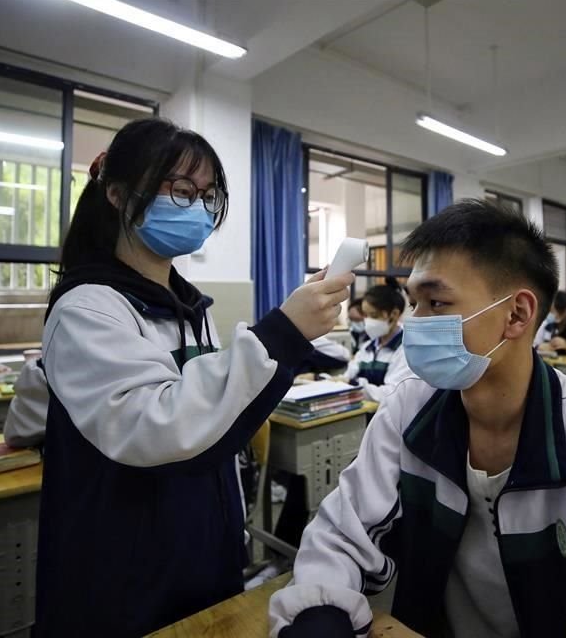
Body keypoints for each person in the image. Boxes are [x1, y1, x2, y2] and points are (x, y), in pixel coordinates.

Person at [269, 200, 566, 637]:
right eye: (413, 303)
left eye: (436, 302)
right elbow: (342, 533)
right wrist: (319, 614)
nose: (415, 323)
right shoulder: (409, 408)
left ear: (516, 315)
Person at [33, 118, 353, 637]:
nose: (200, 206)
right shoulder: (88, 308)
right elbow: (159, 426)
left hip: (201, 545)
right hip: (125, 571)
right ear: (116, 193)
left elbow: (212, 420)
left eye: (209, 195)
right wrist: (283, 333)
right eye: (182, 190)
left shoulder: (186, 305)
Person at [342, 281, 414, 402]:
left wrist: (353, 384)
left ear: (394, 314)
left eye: (374, 315)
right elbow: (347, 376)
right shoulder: (367, 347)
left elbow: (391, 393)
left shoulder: (406, 349)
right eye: (366, 315)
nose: (368, 321)